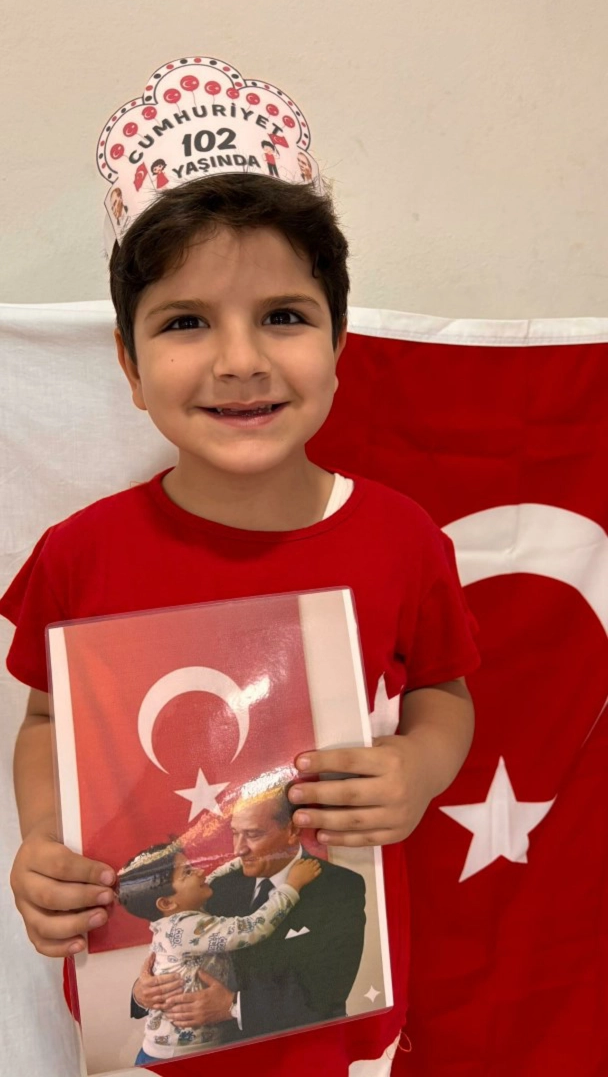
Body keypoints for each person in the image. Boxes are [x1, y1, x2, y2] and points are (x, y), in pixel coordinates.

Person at [3, 166, 479, 1076]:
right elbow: (45, 719)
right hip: (142, 1037)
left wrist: (417, 770)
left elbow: (443, 694)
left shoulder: (402, 538)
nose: (239, 360)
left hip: (335, 1009)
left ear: (339, 342)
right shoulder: (79, 555)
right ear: (129, 365)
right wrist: (45, 839)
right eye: (186, 322)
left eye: (283, 316)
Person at [131, 788, 366, 1044]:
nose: (238, 849)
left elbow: (328, 993)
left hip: (302, 1049)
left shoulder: (340, 887)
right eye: (235, 833)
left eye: (253, 834)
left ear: (292, 831)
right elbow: (180, 953)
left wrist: (233, 1006)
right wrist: (144, 993)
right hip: (216, 1051)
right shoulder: (216, 887)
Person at [117, 833, 321, 1063]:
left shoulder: (175, 916)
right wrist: (292, 886)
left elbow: (213, 877)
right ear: (167, 903)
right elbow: (253, 928)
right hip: (180, 1059)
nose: (200, 871)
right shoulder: (185, 927)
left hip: (180, 1052)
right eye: (187, 872)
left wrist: (244, 858)